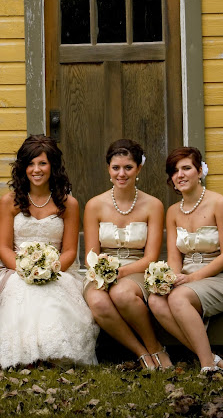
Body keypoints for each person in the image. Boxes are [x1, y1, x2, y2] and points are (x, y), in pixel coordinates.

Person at [0, 134, 99, 369]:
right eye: (30, 164)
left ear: (53, 167)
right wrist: (25, 270)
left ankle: (54, 353)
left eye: (42, 163)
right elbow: (5, 248)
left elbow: (68, 250)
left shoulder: (68, 203)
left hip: (57, 270)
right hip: (17, 270)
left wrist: (49, 270)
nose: (36, 169)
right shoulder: (10, 201)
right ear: (22, 168)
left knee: (52, 300)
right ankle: (24, 355)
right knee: (22, 297)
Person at [148, 146, 223, 373]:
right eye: (174, 171)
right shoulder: (172, 212)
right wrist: (168, 278)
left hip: (221, 276)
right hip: (187, 277)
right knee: (155, 300)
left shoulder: (219, 203)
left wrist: (192, 279)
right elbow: (174, 257)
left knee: (179, 298)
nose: (180, 175)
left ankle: (207, 366)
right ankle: (211, 356)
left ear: (199, 171)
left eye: (186, 168)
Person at [84, 139, 172, 370]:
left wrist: (119, 273)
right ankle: (140, 351)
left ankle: (154, 346)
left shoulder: (153, 205)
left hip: (137, 268)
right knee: (98, 302)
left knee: (123, 294)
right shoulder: (94, 205)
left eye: (128, 167)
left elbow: (150, 257)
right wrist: (103, 273)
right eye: (115, 168)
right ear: (108, 169)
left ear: (138, 169)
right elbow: (91, 254)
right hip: (101, 270)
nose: (121, 174)